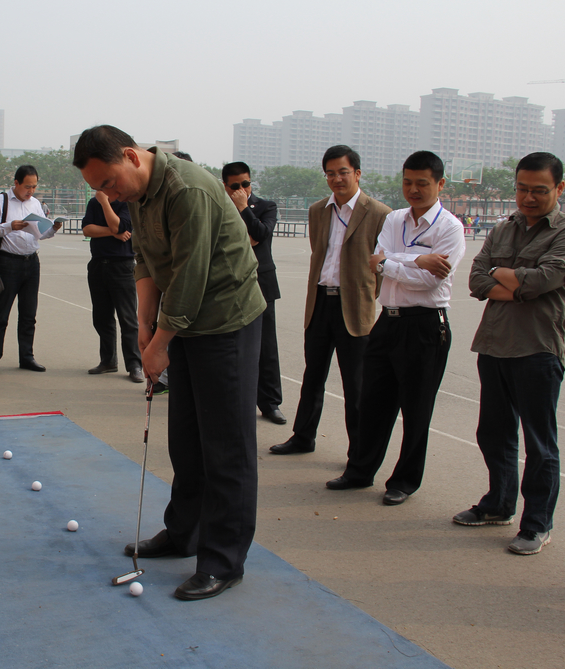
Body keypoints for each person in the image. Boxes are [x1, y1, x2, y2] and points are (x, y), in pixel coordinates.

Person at [73, 125, 265, 601]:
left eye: (109, 182)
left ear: (131, 156)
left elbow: (189, 276)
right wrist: (144, 325)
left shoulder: (187, 189)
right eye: (99, 189)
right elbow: (144, 259)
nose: (109, 194)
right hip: (185, 324)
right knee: (186, 438)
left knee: (226, 447)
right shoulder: (137, 193)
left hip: (224, 322)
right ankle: (184, 534)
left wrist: (159, 343)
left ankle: (223, 560)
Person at [453, 152, 565, 555]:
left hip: (537, 350)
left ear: (559, 188)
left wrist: (502, 277)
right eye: (522, 189)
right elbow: (476, 279)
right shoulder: (503, 229)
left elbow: (545, 279)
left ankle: (537, 524)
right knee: (493, 433)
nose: (528, 198)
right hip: (494, 345)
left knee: (539, 444)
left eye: (539, 190)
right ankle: (499, 504)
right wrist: (514, 284)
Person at [325, 151, 465, 505]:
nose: (413, 190)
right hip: (387, 320)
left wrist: (392, 262)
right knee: (373, 401)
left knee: (416, 408)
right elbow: (375, 260)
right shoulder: (395, 218)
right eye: (407, 182)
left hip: (425, 325)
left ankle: (404, 480)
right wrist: (418, 259)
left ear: (440, 184)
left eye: (422, 183)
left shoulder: (450, 227)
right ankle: (360, 470)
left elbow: (429, 282)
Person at [270, 146, 390, 455]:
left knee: (356, 384)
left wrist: (366, 295)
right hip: (320, 303)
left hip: (355, 308)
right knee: (313, 376)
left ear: (357, 174)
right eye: (331, 173)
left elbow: (382, 265)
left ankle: (359, 451)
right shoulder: (318, 210)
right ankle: (303, 437)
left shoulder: (379, 213)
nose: (337, 179)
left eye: (343, 172)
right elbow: (319, 253)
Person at [222, 161, 285, 425]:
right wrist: (245, 235)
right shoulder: (218, 207)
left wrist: (243, 208)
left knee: (266, 347)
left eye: (246, 184)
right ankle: (232, 401)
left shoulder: (266, 206)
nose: (242, 189)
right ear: (225, 186)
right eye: (235, 186)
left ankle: (270, 403)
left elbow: (260, 234)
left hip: (261, 282)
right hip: (229, 283)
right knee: (229, 345)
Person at [0, 165, 62, 374]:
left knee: (29, 314)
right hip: (8, 262)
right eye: (27, 186)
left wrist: (52, 229)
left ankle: (27, 357)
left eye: (34, 187)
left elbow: (41, 234)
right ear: (16, 183)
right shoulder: (1, 201)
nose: (31, 191)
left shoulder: (35, 203)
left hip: (31, 262)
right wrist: (11, 226)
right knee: (1, 314)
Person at [81, 191, 144, 383]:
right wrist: (112, 232)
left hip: (122, 266)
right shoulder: (93, 203)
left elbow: (119, 225)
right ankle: (108, 361)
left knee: (128, 318)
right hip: (98, 265)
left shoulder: (126, 202)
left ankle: (134, 365)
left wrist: (104, 203)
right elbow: (87, 230)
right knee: (102, 317)